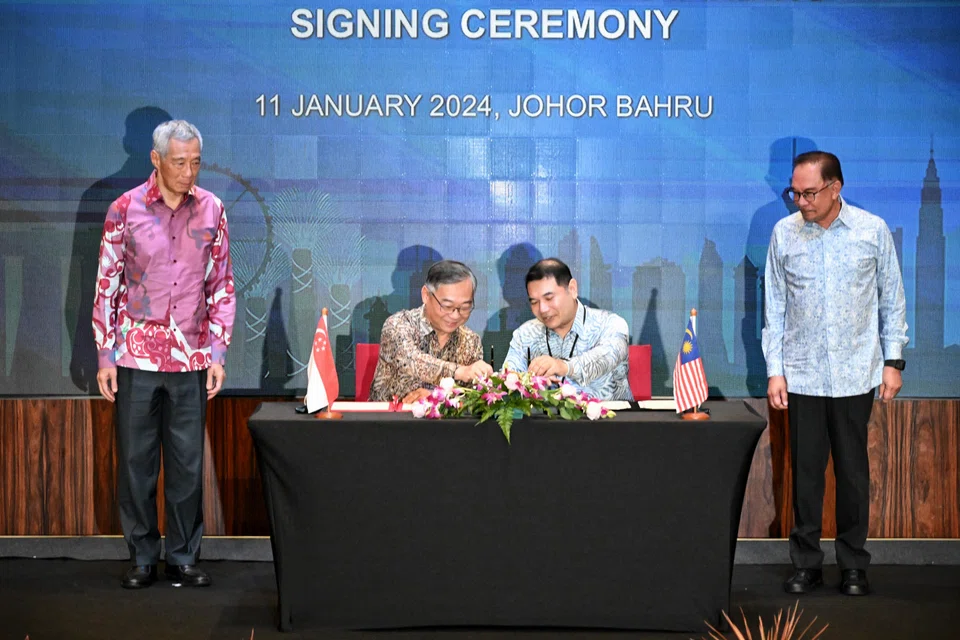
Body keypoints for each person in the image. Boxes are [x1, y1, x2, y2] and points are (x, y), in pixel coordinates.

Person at [93, 120, 235, 589]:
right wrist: (104, 355)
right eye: (179, 162)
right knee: (136, 462)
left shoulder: (212, 209)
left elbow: (221, 285)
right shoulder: (124, 209)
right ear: (156, 159)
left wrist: (218, 352)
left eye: (195, 162)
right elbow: (107, 283)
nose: (188, 172)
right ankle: (141, 555)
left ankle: (182, 555)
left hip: (192, 357)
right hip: (134, 357)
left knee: (187, 463)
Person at [762, 151, 908, 597]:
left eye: (809, 193)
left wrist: (893, 361)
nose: (801, 201)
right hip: (801, 376)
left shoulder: (872, 230)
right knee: (804, 475)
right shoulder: (783, 234)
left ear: (835, 187)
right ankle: (806, 563)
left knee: (852, 473)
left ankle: (853, 565)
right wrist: (775, 371)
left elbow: (892, 298)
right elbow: (776, 308)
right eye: (795, 192)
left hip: (855, 374)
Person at [503, 258, 631, 400]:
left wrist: (562, 366)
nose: (542, 309)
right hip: (545, 420)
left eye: (549, 298)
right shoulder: (525, 334)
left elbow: (607, 356)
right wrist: (526, 381)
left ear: (572, 289)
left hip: (610, 419)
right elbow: (508, 379)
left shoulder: (610, 324)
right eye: (534, 302)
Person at [369, 260, 493, 403]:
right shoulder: (398, 325)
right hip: (389, 420)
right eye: (447, 306)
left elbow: (471, 397)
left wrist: (437, 397)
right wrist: (461, 371)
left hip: (446, 424)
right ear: (426, 295)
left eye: (465, 307)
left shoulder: (471, 341)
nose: (455, 315)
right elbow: (412, 360)